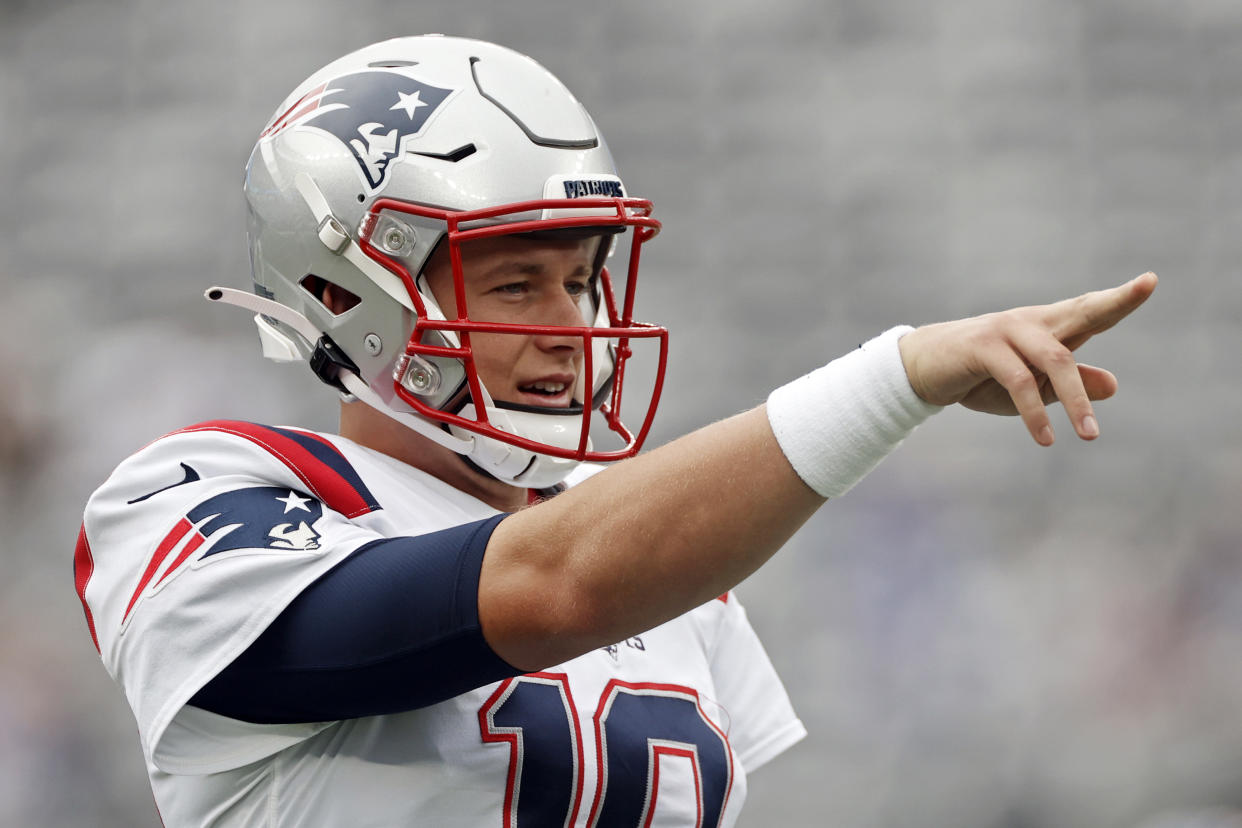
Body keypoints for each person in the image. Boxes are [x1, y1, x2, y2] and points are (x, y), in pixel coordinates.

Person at [72, 35, 1157, 827]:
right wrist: (893, 379)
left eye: (582, 280)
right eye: (515, 285)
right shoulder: (210, 491)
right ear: (346, 290)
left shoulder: (661, 552)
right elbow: (548, 593)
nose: (570, 328)